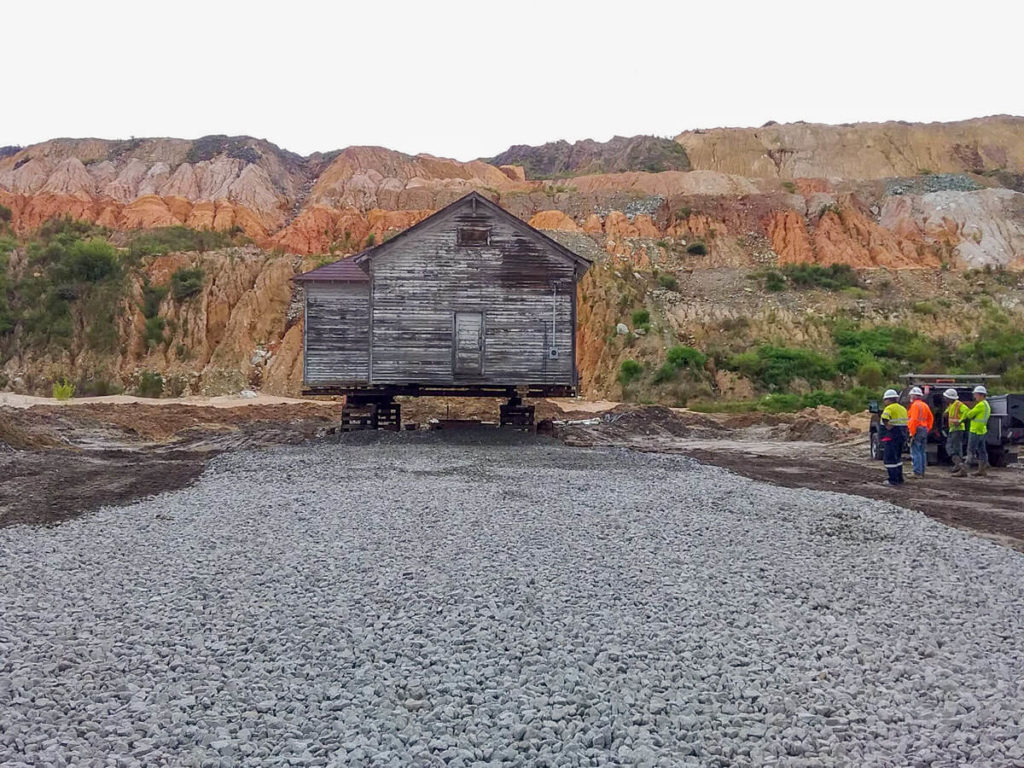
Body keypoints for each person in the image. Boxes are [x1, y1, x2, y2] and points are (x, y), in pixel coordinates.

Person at [879, 389, 908, 486]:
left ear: (888, 399)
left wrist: (887, 426)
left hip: (891, 436)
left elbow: (885, 417)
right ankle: (899, 478)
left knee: (889, 458)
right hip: (901, 436)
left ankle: (893, 480)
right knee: (898, 458)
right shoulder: (902, 408)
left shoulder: (889, 408)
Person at [963, 385, 992, 477]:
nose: (974, 397)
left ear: (981, 395)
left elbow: (969, 415)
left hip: (975, 431)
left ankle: (964, 470)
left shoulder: (980, 405)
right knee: (982, 450)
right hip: (982, 431)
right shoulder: (987, 404)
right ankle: (982, 470)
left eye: (975, 395)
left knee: (970, 450)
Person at [906, 386, 934, 478]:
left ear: (914, 396)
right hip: (924, 429)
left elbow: (913, 420)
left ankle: (917, 472)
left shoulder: (914, 406)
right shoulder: (925, 405)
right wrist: (928, 428)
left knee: (916, 451)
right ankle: (921, 472)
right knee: (922, 451)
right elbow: (931, 418)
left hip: (917, 430)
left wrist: (911, 432)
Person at [943, 388, 969, 476]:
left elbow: (967, 411)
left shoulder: (959, 404)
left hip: (957, 429)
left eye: (946, 397)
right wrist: (945, 413)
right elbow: (947, 412)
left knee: (954, 448)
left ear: (950, 398)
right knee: (953, 447)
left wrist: (960, 421)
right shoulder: (952, 405)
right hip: (953, 429)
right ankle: (958, 465)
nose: (944, 399)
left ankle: (960, 466)